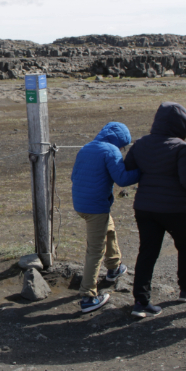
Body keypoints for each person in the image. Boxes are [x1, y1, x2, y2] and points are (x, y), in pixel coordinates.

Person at [123, 103, 186, 318]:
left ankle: (141, 302)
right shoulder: (179, 147)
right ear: (182, 125)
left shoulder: (141, 143)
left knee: (147, 253)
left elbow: (129, 168)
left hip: (144, 207)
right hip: (175, 208)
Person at [70, 121, 139, 314]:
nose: (123, 149)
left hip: (81, 204)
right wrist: (143, 172)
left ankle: (114, 267)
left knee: (109, 228)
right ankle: (88, 296)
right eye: (124, 146)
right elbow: (122, 179)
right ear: (121, 142)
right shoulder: (111, 151)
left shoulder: (87, 147)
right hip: (96, 207)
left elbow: (74, 176)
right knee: (95, 250)